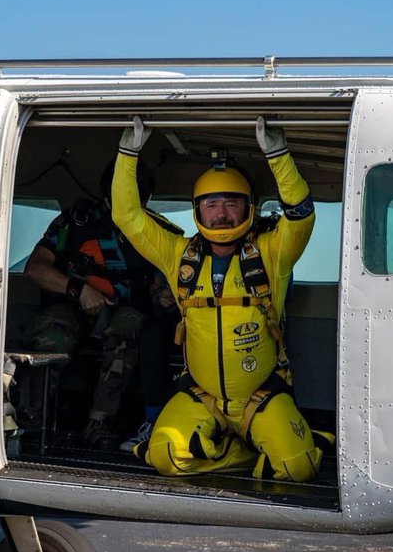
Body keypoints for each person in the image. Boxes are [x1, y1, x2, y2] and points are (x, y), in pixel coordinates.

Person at [111, 116, 333, 482]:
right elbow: (127, 216)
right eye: (211, 204)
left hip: (260, 397)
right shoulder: (177, 255)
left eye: (232, 203)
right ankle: (244, 453)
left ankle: (262, 444)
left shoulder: (271, 253)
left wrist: (278, 155)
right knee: (164, 455)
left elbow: (301, 217)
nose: (221, 213)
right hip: (203, 396)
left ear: (249, 208)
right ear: (197, 210)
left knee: (299, 469)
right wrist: (128, 154)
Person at [24, 159, 178, 450]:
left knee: (128, 326)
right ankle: (33, 423)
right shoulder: (76, 221)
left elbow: (164, 280)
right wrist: (79, 290)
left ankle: (100, 424)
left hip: (126, 309)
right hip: (72, 305)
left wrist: (164, 295)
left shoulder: (156, 231)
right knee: (52, 333)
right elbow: (35, 268)